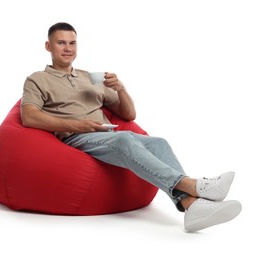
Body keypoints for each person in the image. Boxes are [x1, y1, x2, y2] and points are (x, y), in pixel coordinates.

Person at [20, 22, 242, 232]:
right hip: (76, 137)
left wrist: (121, 88)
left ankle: (191, 206)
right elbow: (29, 116)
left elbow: (129, 114)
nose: (67, 48)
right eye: (61, 43)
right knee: (124, 140)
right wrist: (78, 125)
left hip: (107, 134)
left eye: (72, 43)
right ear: (48, 46)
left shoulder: (89, 77)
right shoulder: (37, 79)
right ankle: (194, 186)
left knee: (159, 142)